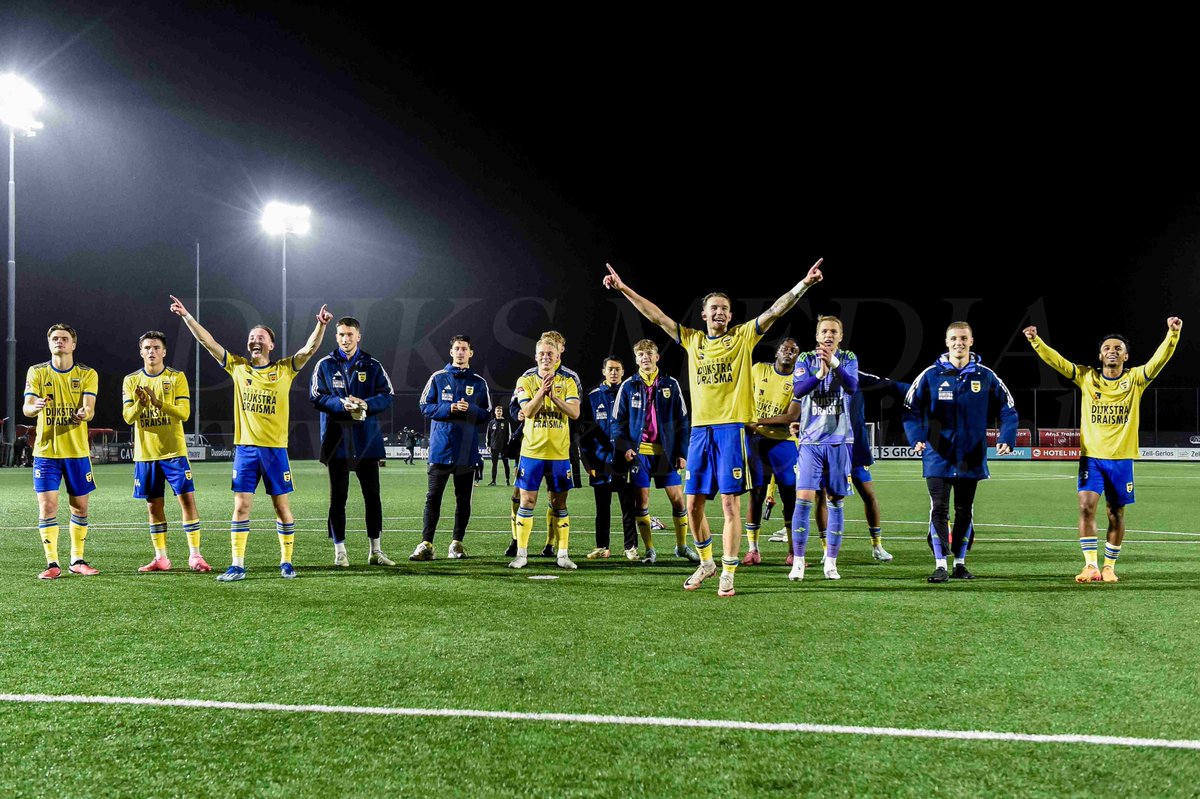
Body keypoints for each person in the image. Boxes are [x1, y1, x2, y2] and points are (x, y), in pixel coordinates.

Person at [603, 258, 824, 597]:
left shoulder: (743, 336)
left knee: (730, 505)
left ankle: (729, 571)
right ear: (703, 314)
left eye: (724, 308)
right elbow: (656, 315)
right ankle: (706, 562)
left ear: (730, 315)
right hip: (699, 432)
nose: (719, 312)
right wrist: (623, 289)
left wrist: (804, 284)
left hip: (730, 431)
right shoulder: (692, 340)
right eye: (713, 308)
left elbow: (777, 310)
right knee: (692, 505)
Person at [170, 294, 331, 581]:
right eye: (251, 337)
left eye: (261, 337)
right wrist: (187, 316)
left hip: (274, 450)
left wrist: (320, 326)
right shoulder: (238, 367)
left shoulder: (284, 369)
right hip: (245, 450)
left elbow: (309, 349)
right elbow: (209, 342)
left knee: (281, 507)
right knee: (241, 506)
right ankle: (237, 564)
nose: (255, 340)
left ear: (271, 345)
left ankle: (286, 562)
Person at [1024, 318, 1182, 583]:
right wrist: (1036, 341)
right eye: (1107, 347)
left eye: (1118, 348)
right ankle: (1090, 565)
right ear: (1100, 354)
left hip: (1121, 459)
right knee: (1086, 507)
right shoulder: (1088, 377)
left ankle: (1109, 566)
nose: (1112, 351)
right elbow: (1058, 362)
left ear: (1126, 355)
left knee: (1115, 513)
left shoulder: (1135, 380)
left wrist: (1173, 334)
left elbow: (1159, 359)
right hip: (1092, 457)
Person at [904, 321, 1017, 583]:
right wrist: (917, 437)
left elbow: (1008, 408)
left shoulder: (986, 375)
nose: (959, 343)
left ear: (971, 340)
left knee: (965, 510)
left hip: (971, 456)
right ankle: (940, 564)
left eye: (963, 338)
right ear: (946, 342)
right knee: (939, 508)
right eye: (954, 338)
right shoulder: (930, 375)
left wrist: (1006, 436)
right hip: (937, 456)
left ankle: (960, 563)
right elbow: (911, 408)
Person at [757, 317, 859, 580]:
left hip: (838, 442)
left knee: (835, 501)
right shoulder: (805, 360)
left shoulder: (848, 357)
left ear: (840, 335)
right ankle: (799, 561)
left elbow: (852, 386)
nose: (828, 335)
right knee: (802, 501)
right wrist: (820, 374)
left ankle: (831, 562)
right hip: (810, 443)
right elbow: (800, 390)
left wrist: (834, 365)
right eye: (824, 331)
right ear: (817, 335)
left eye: (833, 331)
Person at [310, 316, 396, 567]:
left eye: (349, 334)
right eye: (341, 335)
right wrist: (341, 404)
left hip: (366, 439)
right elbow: (316, 396)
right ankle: (340, 552)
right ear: (335, 337)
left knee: (373, 497)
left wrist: (367, 404)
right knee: (339, 497)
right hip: (337, 440)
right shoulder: (325, 364)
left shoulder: (372, 365)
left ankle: (376, 551)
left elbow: (388, 395)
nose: (345, 339)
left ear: (358, 336)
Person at [122, 330, 211, 573]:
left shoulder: (176, 377)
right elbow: (128, 418)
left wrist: (157, 402)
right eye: (147, 347)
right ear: (141, 352)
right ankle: (161, 558)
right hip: (146, 455)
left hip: (174, 452)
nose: (151, 351)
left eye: (156, 347)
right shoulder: (131, 380)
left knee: (187, 500)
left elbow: (184, 413)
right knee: (154, 506)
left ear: (164, 351)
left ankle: (195, 555)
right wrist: (141, 403)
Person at [23, 324, 100, 579]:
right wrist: (35, 407)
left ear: (73, 344)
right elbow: (26, 407)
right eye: (55, 338)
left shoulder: (87, 374)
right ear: (49, 344)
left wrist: (83, 414)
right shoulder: (37, 372)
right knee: (47, 507)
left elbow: (89, 408)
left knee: (79, 507)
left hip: (77, 452)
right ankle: (52, 563)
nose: (59, 342)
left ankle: (77, 560)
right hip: (46, 452)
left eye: (64, 339)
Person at [614, 339, 698, 564]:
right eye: (640, 354)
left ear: (657, 357)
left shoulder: (670, 384)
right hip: (640, 455)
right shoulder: (628, 385)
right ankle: (650, 550)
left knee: (679, 501)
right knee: (641, 503)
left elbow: (683, 420)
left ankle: (681, 546)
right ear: (636, 359)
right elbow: (617, 422)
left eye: (649, 353)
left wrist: (682, 452)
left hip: (667, 454)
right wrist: (626, 448)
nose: (645, 357)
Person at [812, 370, 908, 564]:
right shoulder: (812, 374)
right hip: (825, 445)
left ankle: (877, 545)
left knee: (869, 494)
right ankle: (826, 549)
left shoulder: (852, 372)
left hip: (855, 447)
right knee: (822, 496)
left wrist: (919, 388)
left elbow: (886, 383)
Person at [412, 334, 491, 560]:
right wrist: (449, 408)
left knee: (463, 500)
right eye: (457, 348)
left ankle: (457, 544)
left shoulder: (478, 382)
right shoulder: (438, 378)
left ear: (470, 353)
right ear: (451, 351)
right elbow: (425, 407)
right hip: (440, 450)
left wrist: (470, 410)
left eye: (464, 348)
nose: (460, 352)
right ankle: (426, 544)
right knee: (433, 498)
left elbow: (486, 414)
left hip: (466, 453)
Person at [508, 330, 581, 569]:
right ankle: (521, 553)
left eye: (550, 353)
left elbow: (575, 412)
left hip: (560, 453)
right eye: (542, 354)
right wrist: (542, 391)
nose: (546, 357)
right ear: (535, 356)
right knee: (527, 502)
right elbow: (527, 411)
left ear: (557, 356)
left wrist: (555, 398)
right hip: (532, 453)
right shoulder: (525, 380)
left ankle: (562, 554)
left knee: (559, 503)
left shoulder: (568, 380)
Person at [741, 338, 802, 567]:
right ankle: (753, 550)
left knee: (790, 496)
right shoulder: (759, 369)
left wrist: (757, 420)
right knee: (756, 494)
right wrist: (747, 422)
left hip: (784, 443)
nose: (789, 352)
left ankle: (793, 552)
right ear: (776, 352)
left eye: (794, 350)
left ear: (797, 356)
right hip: (756, 440)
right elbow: (742, 394)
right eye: (785, 349)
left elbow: (791, 417)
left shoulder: (799, 379)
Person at [581, 356, 639, 560]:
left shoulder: (631, 393)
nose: (614, 373)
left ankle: (630, 547)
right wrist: (587, 462)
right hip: (600, 461)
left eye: (617, 369)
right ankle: (602, 546)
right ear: (603, 371)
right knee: (602, 507)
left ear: (623, 372)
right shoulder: (592, 396)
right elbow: (585, 433)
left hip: (625, 459)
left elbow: (636, 427)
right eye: (610, 369)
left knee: (627, 507)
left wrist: (634, 451)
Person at [486, 405, 513, 486]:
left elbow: (509, 435)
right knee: (494, 465)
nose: (498, 412)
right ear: (495, 412)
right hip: (494, 447)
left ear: (502, 412)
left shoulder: (506, 422)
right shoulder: (491, 423)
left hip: (504, 447)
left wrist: (508, 445)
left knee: (506, 464)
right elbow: (488, 435)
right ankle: (493, 481)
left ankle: (507, 480)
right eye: (497, 411)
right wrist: (488, 445)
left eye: (500, 411)